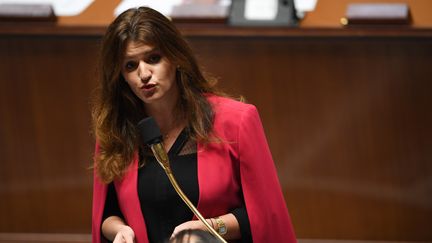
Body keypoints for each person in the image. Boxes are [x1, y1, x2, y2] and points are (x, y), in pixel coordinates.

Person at [91, 6, 296, 243]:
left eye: (153, 59)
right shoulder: (116, 130)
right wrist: (119, 230)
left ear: (176, 58)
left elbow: (264, 216)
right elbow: (107, 214)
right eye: (130, 65)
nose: (144, 74)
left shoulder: (237, 122)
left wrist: (210, 228)